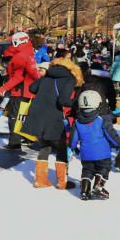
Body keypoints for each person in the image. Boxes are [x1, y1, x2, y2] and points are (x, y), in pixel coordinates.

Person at [21, 53, 83, 190]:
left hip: (36, 115)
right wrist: (75, 103)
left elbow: (32, 88)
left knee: (45, 146)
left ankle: (40, 180)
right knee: (61, 147)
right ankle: (62, 182)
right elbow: (63, 101)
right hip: (53, 117)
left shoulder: (47, 75)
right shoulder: (69, 78)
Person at [70, 91, 120, 200]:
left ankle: (85, 190)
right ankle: (98, 186)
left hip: (86, 154)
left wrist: (72, 147)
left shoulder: (77, 121)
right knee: (104, 169)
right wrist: (119, 144)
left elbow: (73, 137)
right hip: (102, 153)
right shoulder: (102, 119)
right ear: (98, 103)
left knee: (87, 170)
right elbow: (110, 134)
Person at [0, 32, 40, 150]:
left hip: (20, 90)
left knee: (14, 117)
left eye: (14, 42)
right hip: (29, 90)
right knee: (24, 116)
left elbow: (18, 76)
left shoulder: (21, 55)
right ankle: (28, 138)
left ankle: (14, 142)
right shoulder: (29, 53)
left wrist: (4, 87)